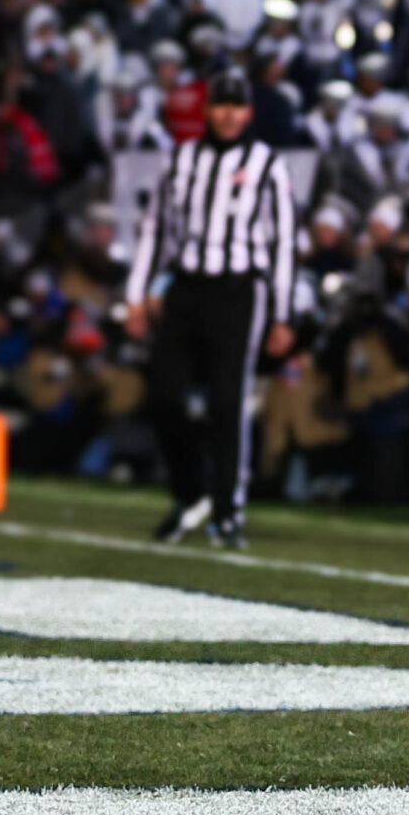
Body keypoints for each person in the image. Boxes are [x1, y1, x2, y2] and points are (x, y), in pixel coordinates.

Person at [126, 69, 300, 548]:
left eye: (237, 106)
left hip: (240, 290)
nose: (228, 114)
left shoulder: (268, 164)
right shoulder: (181, 160)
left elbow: (284, 242)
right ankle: (190, 493)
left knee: (228, 402)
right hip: (186, 285)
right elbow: (154, 230)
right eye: (220, 104)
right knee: (163, 393)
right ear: (207, 109)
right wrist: (136, 296)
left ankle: (226, 512)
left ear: (249, 112)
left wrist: (284, 314)